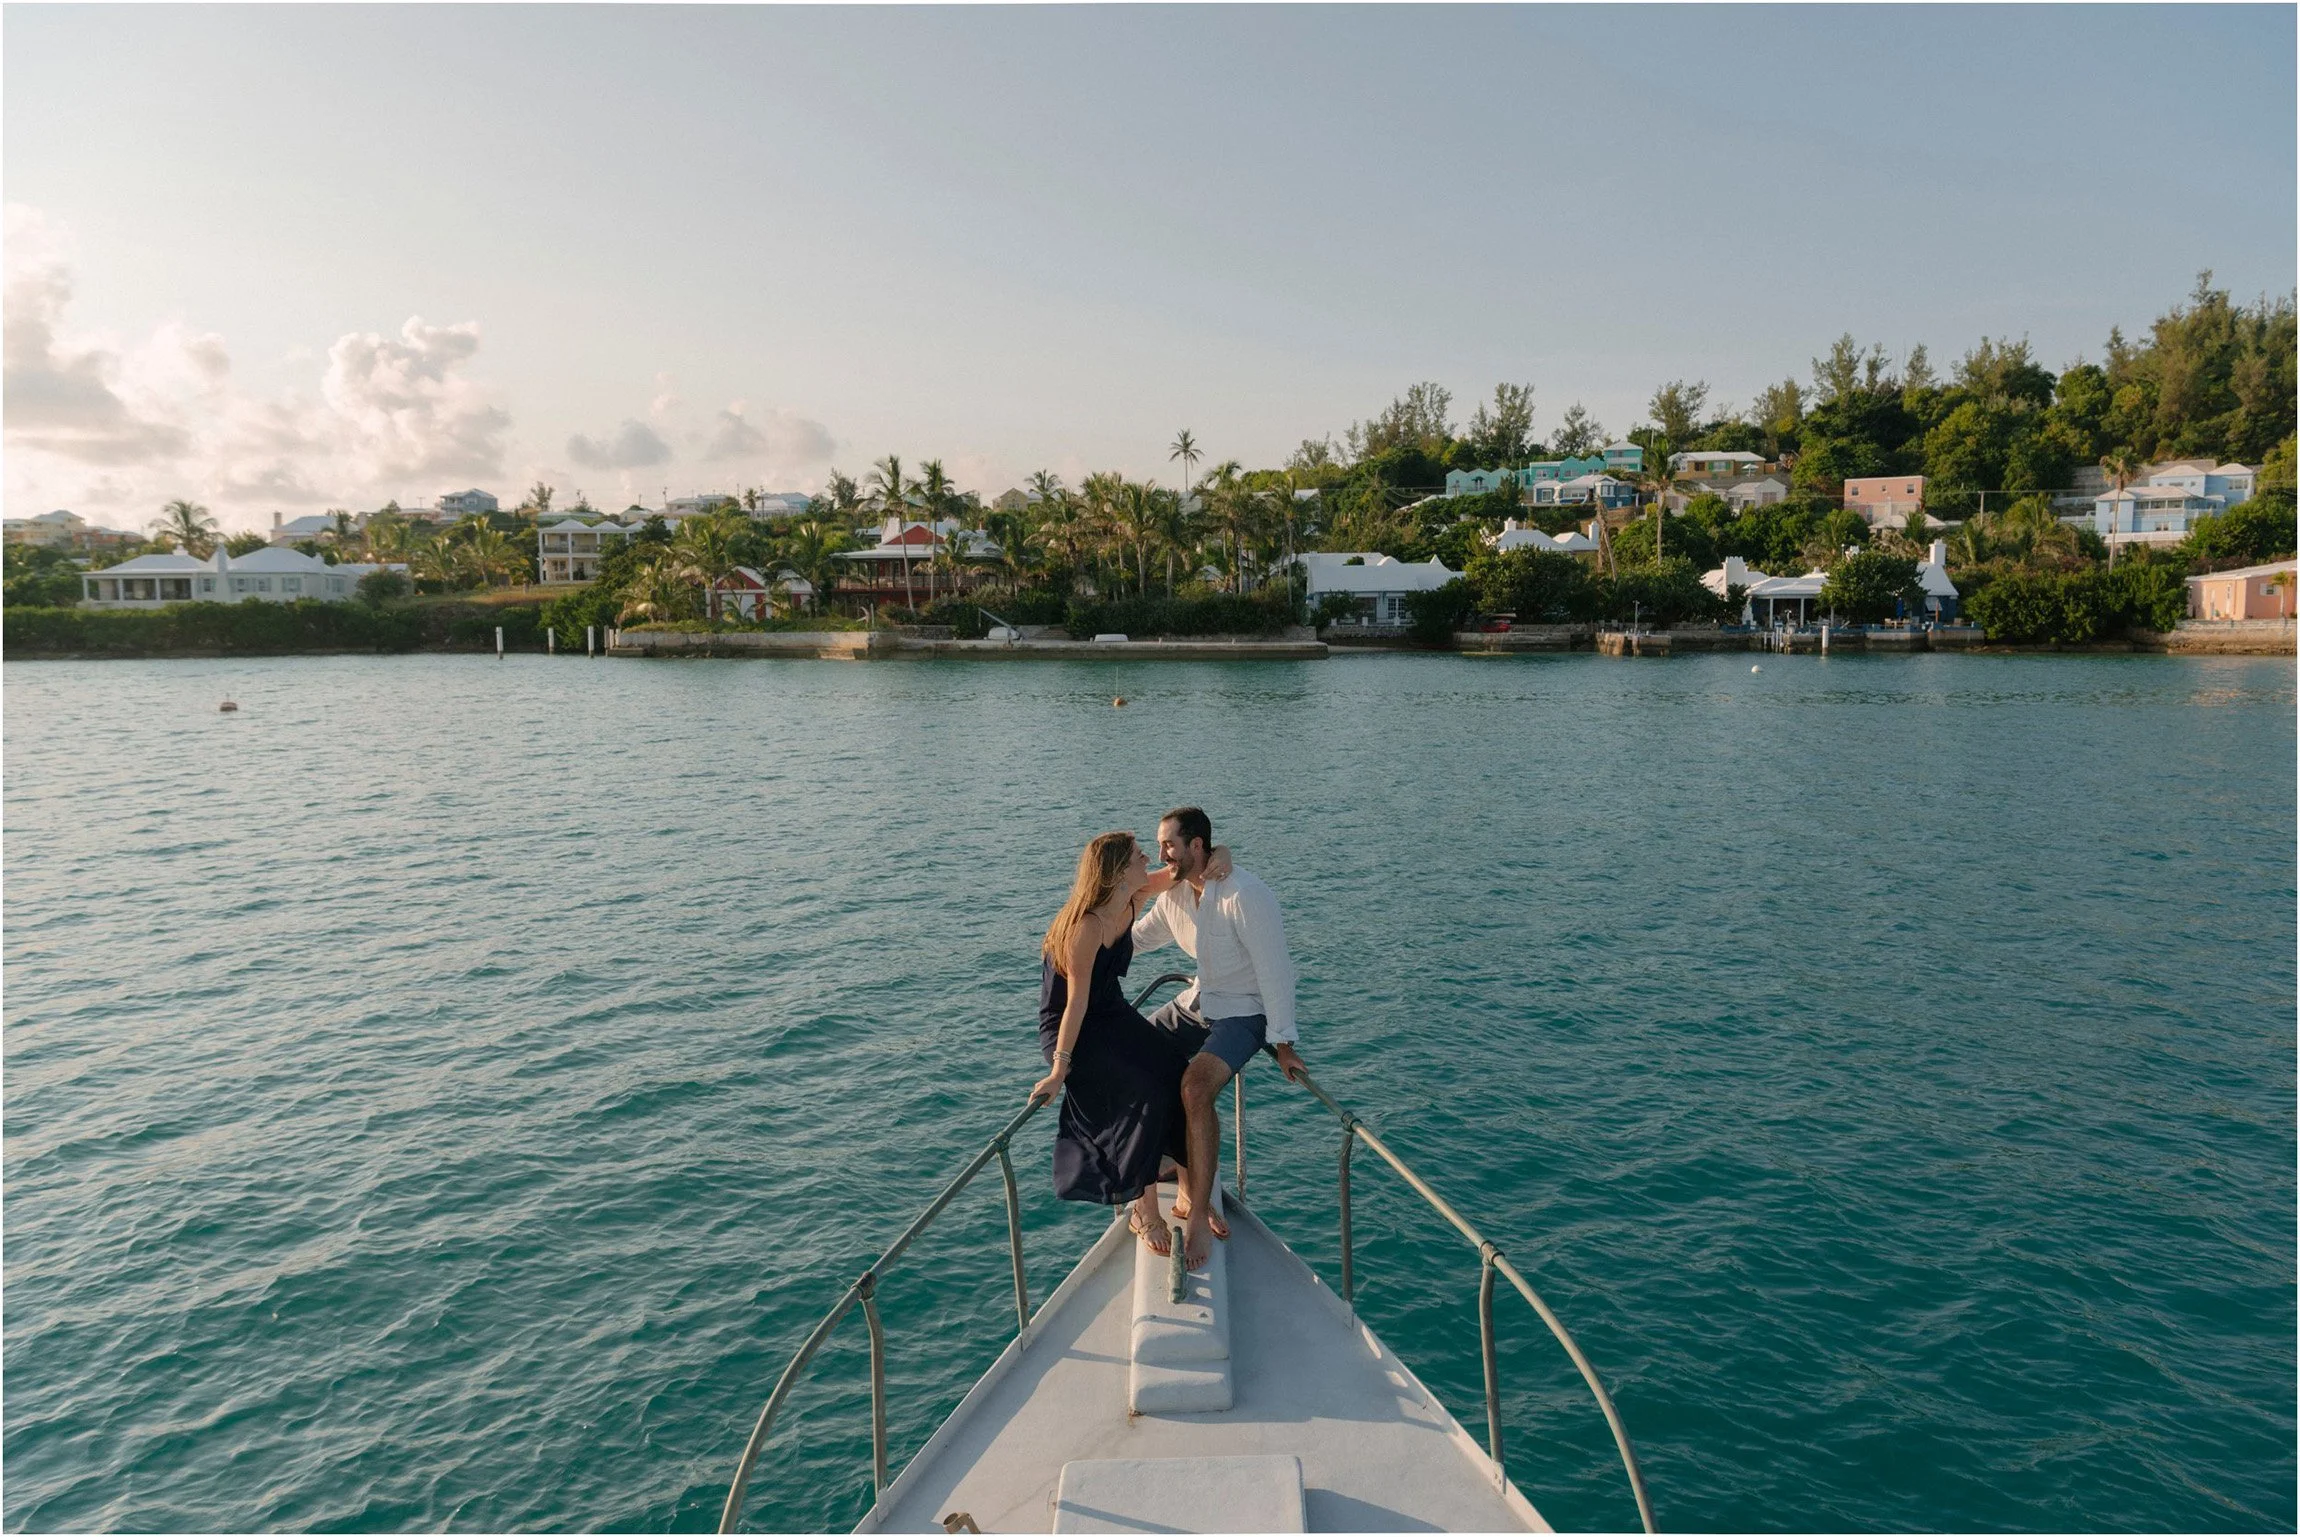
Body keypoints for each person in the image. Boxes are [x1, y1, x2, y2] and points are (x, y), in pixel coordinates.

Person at [1029, 829, 1231, 1255]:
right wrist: (1059, 1070)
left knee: (1177, 1071)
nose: (1151, 860)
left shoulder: (1133, 897)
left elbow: (1178, 872)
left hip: (1111, 1013)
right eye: (1141, 856)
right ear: (1120, 871)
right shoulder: (1086, 926)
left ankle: (1188, 1193)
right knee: (1140, 1090)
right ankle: (1143, 1210)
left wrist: (1219, 853)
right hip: (1073, 1027)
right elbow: (1073, 1005)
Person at [1133, 807, 1304, 1267]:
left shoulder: (1245, 895)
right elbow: (1138, 938)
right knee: (1129, 1056)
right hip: (1197, 1002)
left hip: (1243, 1011)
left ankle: (1195, 1217)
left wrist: (1283, 1041)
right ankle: (1158, 1177)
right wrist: (1086, 947)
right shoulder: (1173, 896)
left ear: (1197, 846)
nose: (1162, 853)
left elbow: (1275, 971)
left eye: (1169, 844)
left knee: (1194, 1087)